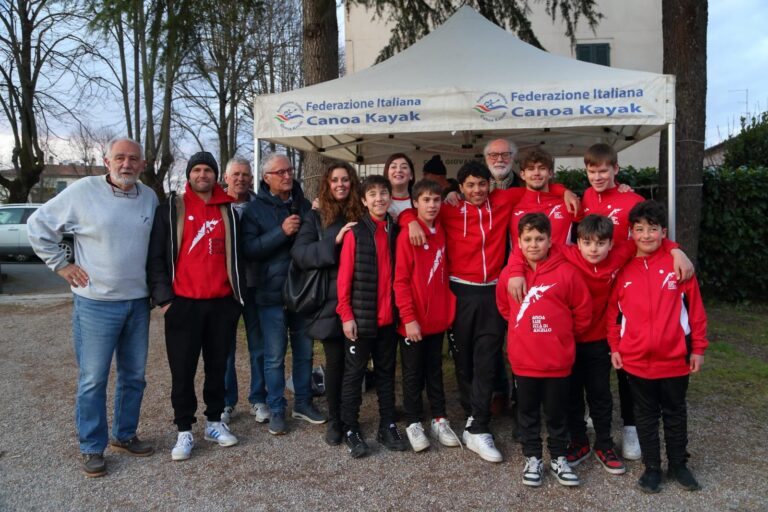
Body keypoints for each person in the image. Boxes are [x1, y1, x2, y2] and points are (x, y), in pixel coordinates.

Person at [400, 161, 577, 463]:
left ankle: (478, 423)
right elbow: (416, 209)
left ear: (490, 185)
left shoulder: (503, 199)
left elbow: (534, 188)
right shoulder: (449, 207)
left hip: (493, 289)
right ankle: (472, 413)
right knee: (463, 359)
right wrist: (409, 221)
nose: (477, 190)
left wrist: (564, 189)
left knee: (487, 357)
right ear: (461, 187)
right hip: (461, 291)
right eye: (470, 185)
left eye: (482, 184)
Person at [506, 215, 693, 477]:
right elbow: (527, 247)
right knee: (571, 395)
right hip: (564, 341)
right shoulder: (566, 254)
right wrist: (514, 272)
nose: (593, 248)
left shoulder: (619, 252)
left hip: (598, 338)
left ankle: (604, 444)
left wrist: (676, 250)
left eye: (600, 243)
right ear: (578, 243)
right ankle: (578, 442)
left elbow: (647, 238)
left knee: (600, 394)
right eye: (587, 243)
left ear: (610, 243)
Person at [27, 137, 158, 477]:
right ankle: (91, 447)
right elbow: (37, 226)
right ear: (107, 161)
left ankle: (125, 434)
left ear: (142, 164)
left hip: (137, 303)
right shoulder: (83, 191)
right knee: (93, 379)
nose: (126, 164)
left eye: (133, 159)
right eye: (120, 158)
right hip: (96, 304)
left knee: (134, 377)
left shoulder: (149, 197)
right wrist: (61, 265)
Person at [147, 151, 245, 461]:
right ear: (189, 174)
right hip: (182, 305)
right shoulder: (171, 208)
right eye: (197, 169)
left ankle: (214, 423)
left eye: (208, 170)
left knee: (217, 367)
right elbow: (156, 259)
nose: (202, 175)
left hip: (221, 304)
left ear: (217, 175)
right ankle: (184, 430)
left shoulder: (229, 210)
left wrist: (235, 300)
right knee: (183, 370)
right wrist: (164, 300)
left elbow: (240, 256)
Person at [608, 200, 708, 494]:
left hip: (675, 358)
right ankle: (652, 468)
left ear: (664, 231)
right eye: (639, 229)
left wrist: (698, 348)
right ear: (631, 233)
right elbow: (613, 315)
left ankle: (678, 464)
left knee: (675, 412)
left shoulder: (679, 266)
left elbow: (696, 312)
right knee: (645, 415)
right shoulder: (623, 271)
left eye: (653, 229)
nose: (646, 235)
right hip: (636, 360)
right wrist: (615, 345)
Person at [497, 213, 592, 487]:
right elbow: (505, 308)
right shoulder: (510, 275)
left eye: (540, 238)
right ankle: (532, 457)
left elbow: (583, 312)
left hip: (557, 361)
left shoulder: (567, 272)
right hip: (524, 360)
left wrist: (563, 338)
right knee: (526, 412)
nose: (534, 244)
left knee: (556, 412)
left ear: (551, 240)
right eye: (528, 239)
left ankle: (560, 457)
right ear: (518, 241)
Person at [242, 153, 326, 436]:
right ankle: (277, 408)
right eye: (280, 172)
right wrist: (280, 232)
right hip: (271, 294)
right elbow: (249, 250)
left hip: (302, 292)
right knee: (274, 356)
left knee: (304, 352)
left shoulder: (302, 204)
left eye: (289, 170)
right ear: (266, 178)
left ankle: (302, 402)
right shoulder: (254, 210)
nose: (288, 175)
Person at [581, 143, 647, 460]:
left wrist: (674, 249)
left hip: (626, 290)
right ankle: (595, 413)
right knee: (593, 356)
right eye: (592, 171)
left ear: (616, 170)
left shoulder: (633, 199)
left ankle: (631, 428)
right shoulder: (585, 197)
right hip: (594, 290)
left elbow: (651, 235)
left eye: (604, 170)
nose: (598, 176)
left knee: (626, 362)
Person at [290, 161, 364, 446]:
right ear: (327, 184)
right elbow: (300, 253)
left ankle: (351, 419)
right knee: (335, 364)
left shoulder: (362, 210)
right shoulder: (316, 215)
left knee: (355, 364)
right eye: (335, 180)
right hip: (329, 301)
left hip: (360, 297)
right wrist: (335, 241)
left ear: (352, 182)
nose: (341, 184)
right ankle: (335, 420)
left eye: (345, 179)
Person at [337, 175, 407, 458]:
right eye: (373, 194)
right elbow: (344, 279)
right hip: (361, 319)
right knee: (353, 376)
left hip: (389, 319)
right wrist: (346, 314)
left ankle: (387, 424)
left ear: (390, 197)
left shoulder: (397, 230)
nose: (379, 198)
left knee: (387, 374)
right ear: (364, 200)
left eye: (383, 193)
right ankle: (350, 428)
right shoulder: (355, 233)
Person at [394, 179, 460, 452]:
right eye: (426, 200)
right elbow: (401, 281)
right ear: (415, 203)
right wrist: (408, 318)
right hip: (413, 322)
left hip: (437, 319)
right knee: (412, 373)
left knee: (435, 372)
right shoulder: (408, 235)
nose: (432, 205)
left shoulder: (442, 231)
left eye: (436, 200)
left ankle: (439, 419)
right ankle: (412, 422)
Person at [220, 157, 269, 425]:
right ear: (226, 178)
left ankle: (258, 398)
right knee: (225, 348)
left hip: (254, 283)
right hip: (225, 286)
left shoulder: (259, 206)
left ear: (252, 179)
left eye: (245, 175)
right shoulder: (216, 205)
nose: (240, 179)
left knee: (257, 346)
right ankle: (227, 402)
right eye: (235, 174)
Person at [510, 148, 575, 245]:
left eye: (542, 168)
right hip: (519, 260)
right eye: (531, 169)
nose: (536, 173)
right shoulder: (511, 207)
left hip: (559, 260)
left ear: (550, 173)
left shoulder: (568, 204)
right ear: (522, 175)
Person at [383, 152, 416, 220]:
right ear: (387, 174)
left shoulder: (420, 201)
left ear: (411, 175)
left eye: (404, 167)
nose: (398, 170)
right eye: (393, 167)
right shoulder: (379, 200)